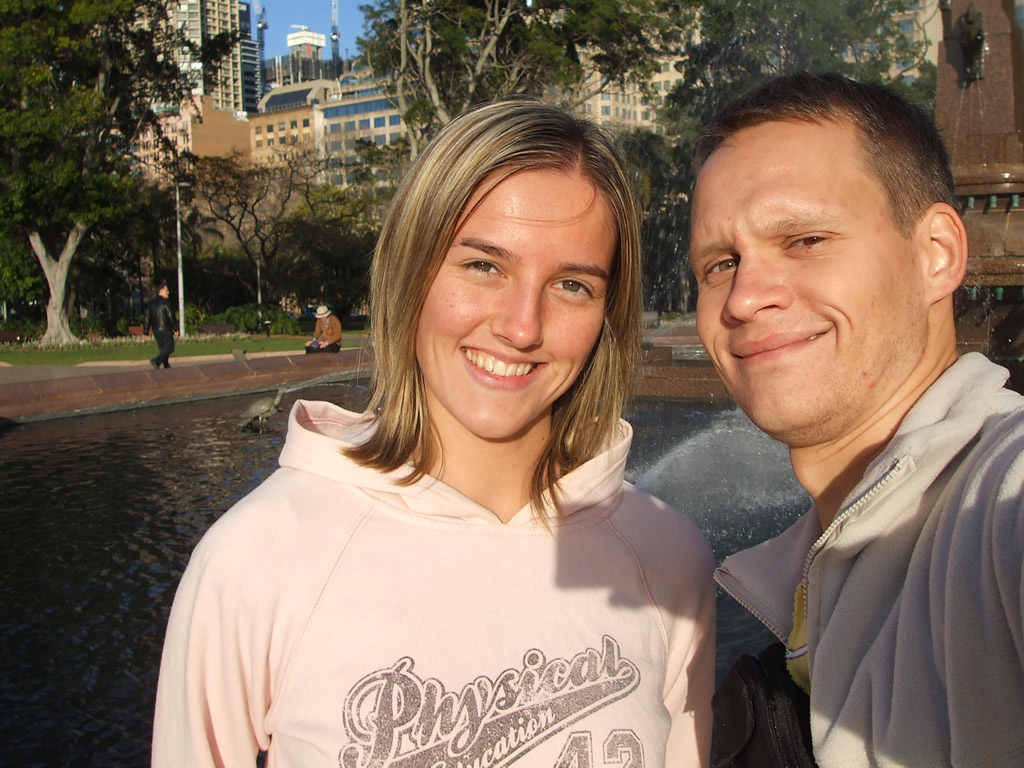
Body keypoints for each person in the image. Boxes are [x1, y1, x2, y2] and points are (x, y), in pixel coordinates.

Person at [153, 100, 715, 767]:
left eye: (571, 284)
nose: (522, 327)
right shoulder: (257, 559)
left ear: (607, 315)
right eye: (484, 266)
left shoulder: (668, 561)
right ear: (412, 271)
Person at [689, 72, 1024, 767]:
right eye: (720, 264)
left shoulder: (998, 501)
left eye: (806, 239)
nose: (744, 298)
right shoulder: (807, 571)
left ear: (936, 254)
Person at [145, 281, 176, 369]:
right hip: (165, 329)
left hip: (156, 330)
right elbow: (170, 316)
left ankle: (166, 364)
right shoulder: (165, 302)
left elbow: (147, 318)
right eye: (166, 290)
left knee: (163, 348)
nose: (168, 292)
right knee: (170, 348)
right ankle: (156, 361)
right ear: (161, 290)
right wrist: (175, 328)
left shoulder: (151, 303)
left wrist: (145, 332)